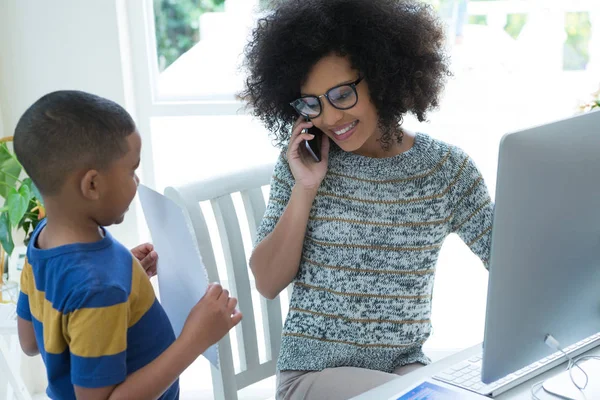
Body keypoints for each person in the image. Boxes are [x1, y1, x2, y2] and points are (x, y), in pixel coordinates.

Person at [241, 0, 493, 399]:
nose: (330, 117)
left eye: (342, 94)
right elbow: (268, 282)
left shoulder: (445, 170)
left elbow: (508, 261)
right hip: (311, 376)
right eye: (312, 103)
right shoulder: (305, 161)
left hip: (402, 371)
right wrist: (306, 187)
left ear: (381, 75)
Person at [13, 90, 242, 400]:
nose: (136, 181)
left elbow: (30, 341)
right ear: (92, 184)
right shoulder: (99, 286)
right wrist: (194, 340)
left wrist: (127, 279)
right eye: (132, 170)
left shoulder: (42, 240)